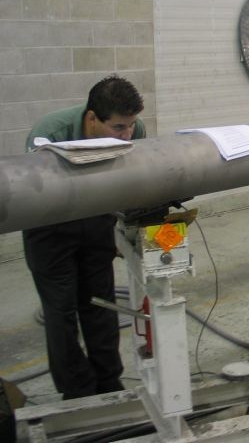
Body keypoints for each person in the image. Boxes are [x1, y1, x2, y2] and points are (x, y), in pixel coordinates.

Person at [23, 75, 146, 400]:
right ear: (92, 118)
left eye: (130, 126)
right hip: (48, 223)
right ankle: (77, 391)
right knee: (61, 312)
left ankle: (108, 381)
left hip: (96, 217)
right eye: (118, 128)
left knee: (99, 304)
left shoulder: (135, 128)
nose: (127, 134)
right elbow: (35, 190)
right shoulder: (50, 133)